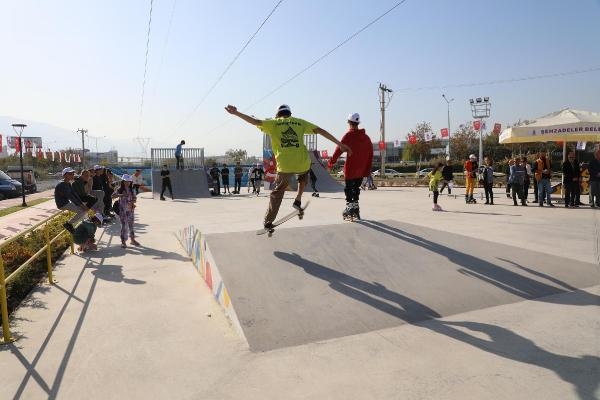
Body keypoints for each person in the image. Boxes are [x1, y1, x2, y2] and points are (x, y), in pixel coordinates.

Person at [225, 103, 351, 230]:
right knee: (303, 175)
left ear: (277, 114)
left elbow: (255, 121)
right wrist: (340, 144)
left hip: (284, 165)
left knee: (278, 192)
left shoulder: (273, 123)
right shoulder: (300, 122)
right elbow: (321, 130)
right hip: (302, 163)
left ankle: (268, 221)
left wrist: (236, 113)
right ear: (290, 113)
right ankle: (298, 198)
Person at [328, 112, 372, 220]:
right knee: (356, 188)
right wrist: (367, 169)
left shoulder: (348, 136)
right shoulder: (366, 138)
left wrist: (331, 162)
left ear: (349, 122)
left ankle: (349, 208)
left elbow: (338, 149)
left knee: (348, 188)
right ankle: (356, 208)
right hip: (361, 170)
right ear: (358, 123)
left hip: (351, 169)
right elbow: (370, 154)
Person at [54, 167, 90, 233]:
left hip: (67, 202)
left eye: (73, 174)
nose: (72, 175)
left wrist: (81, 203)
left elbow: (74, 194)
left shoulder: (68, 183)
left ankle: (83, 224)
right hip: (62, 204)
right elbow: (71, 197)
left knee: (83, 209)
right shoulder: (62, 184)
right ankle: (68, 224)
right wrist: (82, 205)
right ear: (64, 175)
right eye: (70, 174)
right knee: (82, 211)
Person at [113, 174, 140, 248]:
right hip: (123, 211)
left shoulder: (131, 189)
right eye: (126, 181)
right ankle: (123, 241)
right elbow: (113, 196)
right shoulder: (119, 189)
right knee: (124, 226)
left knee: (131, 225)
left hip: (130, 210)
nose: (127, 183)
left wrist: (132, 202)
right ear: (123, 181)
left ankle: (132, 240)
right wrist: (121, 195)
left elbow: (134, 198)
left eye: (129, 181)